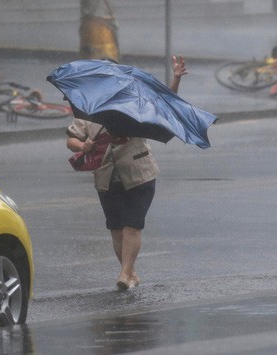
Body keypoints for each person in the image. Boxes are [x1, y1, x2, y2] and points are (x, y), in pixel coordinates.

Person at [66, 56, 188, 291]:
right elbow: (72, 139)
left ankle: (124, 273)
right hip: (105, 173)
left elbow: (164, 104)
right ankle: (129, 271)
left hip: (139, 173)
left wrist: (176, 78)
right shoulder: (86, 106)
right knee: (116, 228)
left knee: (132, 225)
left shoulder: (135, 100)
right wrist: (82, 146)